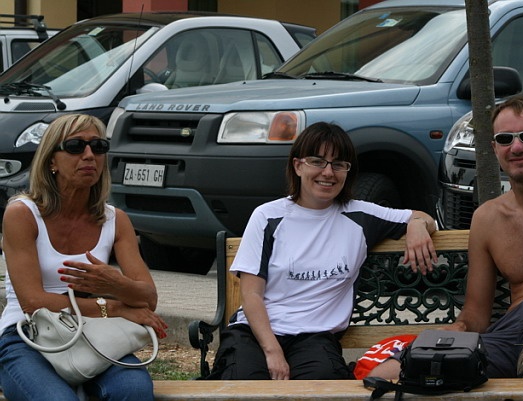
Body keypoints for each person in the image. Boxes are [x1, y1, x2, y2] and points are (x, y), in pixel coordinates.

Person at [370, 94, 523, 380]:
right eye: (505, 139)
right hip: (515, 336)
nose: (517, 147)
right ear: (495, 149)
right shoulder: (487, 218)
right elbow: (475, 316)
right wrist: (452, 332)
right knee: (385, 374)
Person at [208, 122, 438, 380]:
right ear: (298, 166)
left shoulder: (361, 216)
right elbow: (251, 294)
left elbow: (422, 217)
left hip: (314, 338)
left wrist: (417, 225)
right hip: (255, 333)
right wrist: (273, 352)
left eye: (338, 164)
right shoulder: (267, 216)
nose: (328, 172)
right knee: (243, 381)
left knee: (322, 383)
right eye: (317, 161)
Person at [0, 114, 168, 400]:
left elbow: (148, 298)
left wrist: (116, 284)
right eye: (75, 146)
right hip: (27, 335)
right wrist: (113, 307)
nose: (89, 155)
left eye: (98, 146)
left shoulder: (116, 220)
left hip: (93, 334)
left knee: (134, 391)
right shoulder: (22, 214)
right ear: (51, 161)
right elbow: (33, 302)